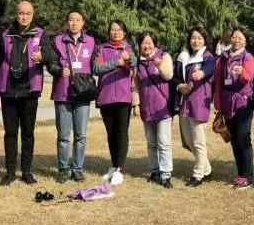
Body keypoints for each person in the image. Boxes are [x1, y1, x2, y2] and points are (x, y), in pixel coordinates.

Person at [0, 1, 50, 185]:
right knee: (10, 133)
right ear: (16, 14)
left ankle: (27, 172)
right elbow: (0, 61)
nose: (24, 17)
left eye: (28, 13)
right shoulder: (6, 34)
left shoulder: (40, 33)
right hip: (9, 91)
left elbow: (51, 55)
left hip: (29, 91)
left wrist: (43, 57)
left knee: (28, 133)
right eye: (21, 13)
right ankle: (10, 173)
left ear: (32, 15)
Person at [45, 10, 96, 183]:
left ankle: (77, 169)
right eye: (71, 20)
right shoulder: (57, 41)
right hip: (63, 93)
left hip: (82, 93)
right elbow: (50, 64)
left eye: (78, 20)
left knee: (81, 135)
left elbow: (96, 65)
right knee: (64, 135)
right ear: (67, 22)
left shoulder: (91, 42)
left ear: (83, 22)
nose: (74, 23)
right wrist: (59, 71)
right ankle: (63, 169)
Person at [214, 28, 254, 190]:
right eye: (234, 37)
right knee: (234, 140)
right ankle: (241, 173)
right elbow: (219, 82)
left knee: (243, 139)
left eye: (240, 38)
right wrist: (218, 104)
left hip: (243, 103)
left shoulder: (248, 57)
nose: (236, 40)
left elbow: (249, 78)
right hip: (227, 102)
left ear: (245, 41)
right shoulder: (223, 58)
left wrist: (241, 72)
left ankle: (248, 176)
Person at [93, 20, 135, 186]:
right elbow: (97, 69)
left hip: (124, 97)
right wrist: (117, 63)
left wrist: (128, 59)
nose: (115, 32)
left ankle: (119, 168)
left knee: (122, 132)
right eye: (112, 30)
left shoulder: (128, 48)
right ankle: (114, 165)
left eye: (119, 30)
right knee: (111, 133)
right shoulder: (101, 48)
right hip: (106, 96)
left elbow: (134, 64)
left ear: (124, 33)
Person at [174, 25, 215, 187]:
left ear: (204, 40)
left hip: (199, 103)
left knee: (199, 142)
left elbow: (210, 68)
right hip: (184, 103)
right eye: (193, 38)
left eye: (199, 38)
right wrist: (180, 87)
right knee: (188, 141)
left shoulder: (207, 57)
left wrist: (202, 73)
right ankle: (207, 170)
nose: (196, 41)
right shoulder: (184, 57)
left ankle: (198, 175)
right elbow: (175, 78)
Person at [133, 32, 175, 187]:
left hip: (163, 108)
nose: (146, 46)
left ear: (155, 44)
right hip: (146, 108)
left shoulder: (164, 56)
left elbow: (169, 76)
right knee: (151, 142)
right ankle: (154, 171)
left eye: (149, 43)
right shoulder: (138, 62)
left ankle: (166, 175)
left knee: (164, 142)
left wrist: (160, 65)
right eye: (143, 43)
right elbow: (135, 85)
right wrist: (136, 104)